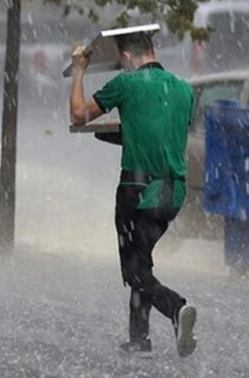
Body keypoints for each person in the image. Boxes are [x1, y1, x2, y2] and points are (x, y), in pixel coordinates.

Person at [68, 31, 197, 358]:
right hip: (173, 193)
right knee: (142, 260)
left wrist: (80, 69)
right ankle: (139, 339)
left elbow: (78, 114)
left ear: (125, 58)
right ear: (153, 49)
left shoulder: (126, 84)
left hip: (137, 191)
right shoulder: (183, 89)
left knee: (134, 271)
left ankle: (175, 307)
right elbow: (161, 134)